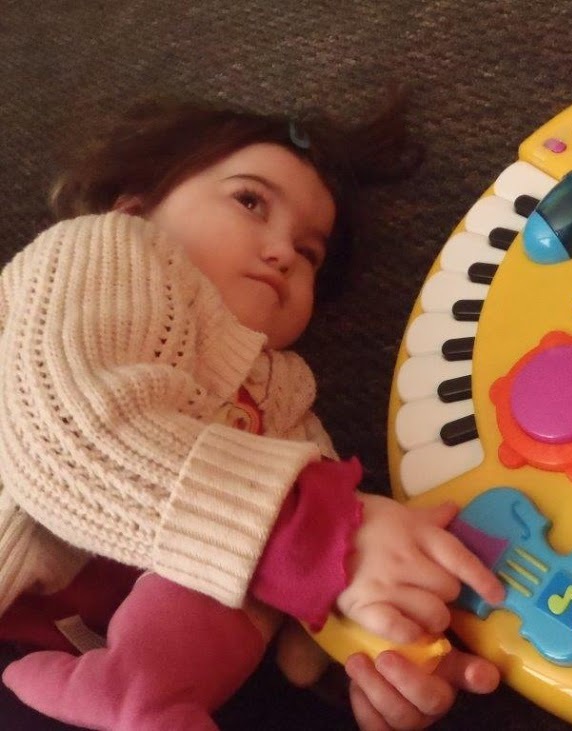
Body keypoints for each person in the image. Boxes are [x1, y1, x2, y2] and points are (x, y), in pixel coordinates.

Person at [0, 98, 505, 731]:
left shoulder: (290, 405)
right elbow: (66, 437)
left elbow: (307, 592)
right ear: (136, 204)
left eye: (310, 251)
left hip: (161, 692)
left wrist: (381, 642)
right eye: (250, 202)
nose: (282, 252)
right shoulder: (102, 251)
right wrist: (327, 535)